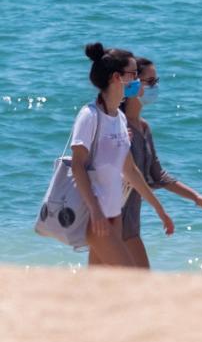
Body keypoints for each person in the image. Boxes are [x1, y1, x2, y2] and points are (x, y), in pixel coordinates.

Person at [74, 43, 174, 267]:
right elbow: (77, 165)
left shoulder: (118, 119)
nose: (137, 80)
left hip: (114, 215)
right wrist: (95, 211)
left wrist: (160, 210)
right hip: (97, 219)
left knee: (99, 284)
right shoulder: (89, 116)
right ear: (117, 78)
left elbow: (130, 170)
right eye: (133, 74)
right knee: (131, 279)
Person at [119, 56, 202, 268]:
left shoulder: (143, 128)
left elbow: (158, 176)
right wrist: (160, 210)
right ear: (133, 84)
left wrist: (196, 197)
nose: (155, 87)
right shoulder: (118, 126)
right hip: (112, 219)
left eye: (157, 81)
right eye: (150, 82)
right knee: (138, 279)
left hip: (129, 223)